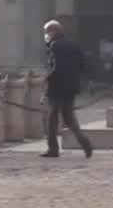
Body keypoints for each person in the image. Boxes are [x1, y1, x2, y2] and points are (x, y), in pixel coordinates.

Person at [39, 20, 94, 160]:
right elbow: (83, 65)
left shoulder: (55, 46)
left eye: (46, 32)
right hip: (71, 87)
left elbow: (55, 68)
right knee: (69, 118)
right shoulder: (74, 45)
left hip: (57, 87)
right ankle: (85, 143)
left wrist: (46, 79)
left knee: (52, 118)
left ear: (53, 32)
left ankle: (53, 148)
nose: (45, 35)